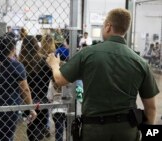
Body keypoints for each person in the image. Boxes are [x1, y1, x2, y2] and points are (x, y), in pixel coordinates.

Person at [46, 8, 159, 141]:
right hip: (127, 130)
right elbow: (151, 109)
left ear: (108, 27)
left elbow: (59, 80)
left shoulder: (88, 54)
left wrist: (54, 64)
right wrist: (149, 136)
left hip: (94, 129)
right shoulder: (140, 62)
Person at [0, 35, 37, 141]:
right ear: (13, 49)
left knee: (0, 136)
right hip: (10, 106)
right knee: (7, 137)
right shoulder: (17, 66)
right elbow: (25, 89)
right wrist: (31, 108)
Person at [19, 35, 53, 141]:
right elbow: (52, 77)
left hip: (28, 100)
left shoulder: (21, 63)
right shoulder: (44, 61)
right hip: (42, 98)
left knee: (31, 126)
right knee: (40, 127)